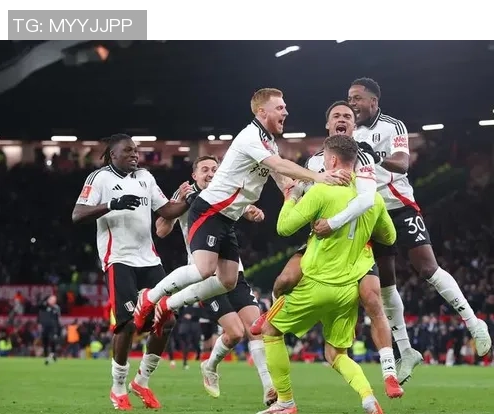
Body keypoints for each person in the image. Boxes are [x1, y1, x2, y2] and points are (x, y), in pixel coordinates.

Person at [133, 87, 350, 332]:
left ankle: (167, 304)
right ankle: (150, 297)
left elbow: (282, 179)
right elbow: (278, 164)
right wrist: (318, 177)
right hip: (210, 210)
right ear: (262, 112)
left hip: (227, 219)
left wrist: (302, 196)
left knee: (228, 281)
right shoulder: (250, 137)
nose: (286, 112)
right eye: (280, 108)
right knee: (204, 269)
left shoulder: (269, 142)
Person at [320, 77, 491, 383]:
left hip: (398, 206)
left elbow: (403, 162)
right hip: (370, 212)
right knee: (386, 284)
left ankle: (474, 323)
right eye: (349, 98)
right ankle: (406, 350)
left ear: (373, 101)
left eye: (357, 98)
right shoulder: (350, 133)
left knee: (427, 267)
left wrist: (376, 156)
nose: (352, 103)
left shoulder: (392, 126)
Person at [250, 101, 403, 398]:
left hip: (357, 244)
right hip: (319, 238)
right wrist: (297, 192)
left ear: (354, 125)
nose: (342, 119)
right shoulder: (314, 163)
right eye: (337, 116)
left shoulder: (363, 157)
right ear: (328, 125)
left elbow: (368, 200)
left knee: (372, 298)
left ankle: (389, 372)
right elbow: (305, 193)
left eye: (348, 116)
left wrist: (333, 221)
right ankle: (272, 311)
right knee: (284, 280)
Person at [71, 133, 192, 411]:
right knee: (126, 324)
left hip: (149, 259)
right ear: (113, 154)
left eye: (136, 151)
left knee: (167, 319)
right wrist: (111, 204)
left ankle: (142, 382)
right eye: (127, 151)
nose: (134, 154)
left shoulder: (145, 177)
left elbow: (167, 210)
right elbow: (77, 214)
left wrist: (192, 199)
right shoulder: (100, 178)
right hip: (119, 259)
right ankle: (118, 388)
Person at [154, 155, 277, 405]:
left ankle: (269, 388)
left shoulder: (225, 191)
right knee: (235, 333)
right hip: (205, 275)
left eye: (214, 169)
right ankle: (209, 365)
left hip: (234, 271)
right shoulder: (186, 195)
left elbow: (245, 208)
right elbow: (161, 230)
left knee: (256, 327)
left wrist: (252, 211)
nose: (210, 173)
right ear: (194, 175)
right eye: (205, 169)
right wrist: (178, 202)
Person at [38, 294, 61, 365]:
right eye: (52, 299)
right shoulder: (44, 306)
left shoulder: (56, 308)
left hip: (53, 328)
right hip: (45, 327)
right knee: (45, 343)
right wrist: (46, 298)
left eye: (55, 300)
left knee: (52, 341)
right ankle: (47, 357)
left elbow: (57, 319)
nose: (54, 301)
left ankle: (52, 355)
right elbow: (39, 305)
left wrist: (57, 330)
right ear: (48, 300)